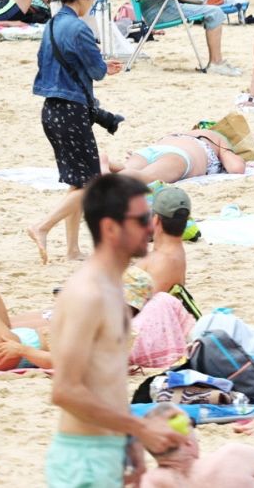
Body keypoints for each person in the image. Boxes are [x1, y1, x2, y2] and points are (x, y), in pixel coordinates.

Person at [47, 174, 180, 487]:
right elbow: (65, 391)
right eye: (141, 219)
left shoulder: (114, 290)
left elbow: (107, 378)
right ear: (110, 228)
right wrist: (140, 429)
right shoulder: (87, 295)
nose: (150, 228)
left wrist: (128, 441)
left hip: (105, 450)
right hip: (83, 459)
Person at [27, 0, 123, 265]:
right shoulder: (79, 29)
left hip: (51, 109)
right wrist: (105, 66)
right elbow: (96, 71)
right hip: (71, 110)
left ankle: (72, 250)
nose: (92, 2)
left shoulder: (53, 23)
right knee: (91, 184)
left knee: (77, 183)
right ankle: (41, 227)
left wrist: (99, 65)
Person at [107, 128, 245, 185]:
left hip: (150, 150)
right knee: (144, 177)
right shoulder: (216, 138)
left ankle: (104, 164)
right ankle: (104, 176)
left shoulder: (185, 133)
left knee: (125, 168)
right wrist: (231, 152)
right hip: (179, 156)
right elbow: (236, 168)